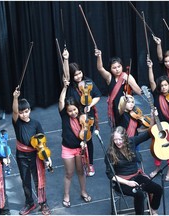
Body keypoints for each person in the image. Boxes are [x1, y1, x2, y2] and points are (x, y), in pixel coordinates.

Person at [105, 126, 163, 215]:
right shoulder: (110, 153)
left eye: (120, 139)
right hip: (121, 182)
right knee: (139, 194)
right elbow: (110, 175)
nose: (118, 142)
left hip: (136, 176)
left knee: (158, 189)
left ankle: (153, 209)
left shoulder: (131, 142)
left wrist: (152, 117)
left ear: (125, 138)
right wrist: (128, 183)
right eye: (115, 140)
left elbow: (148, 134)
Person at [62, 49, 102, 177]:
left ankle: (90, 163)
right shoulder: (70, 86)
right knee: (77, 139)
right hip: (74, 114)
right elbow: (66, 75)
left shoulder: (88, 82)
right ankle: (80, 162)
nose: (78, 76)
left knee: (87, 139)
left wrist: (89, 105)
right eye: (75, 75)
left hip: (87, 115)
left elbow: (97, 96)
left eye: (79, 73)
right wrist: (66, 59)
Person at [12, 87, 51, 215]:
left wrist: (47, 158)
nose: (24, 114)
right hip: (22, 156)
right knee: (25, 180)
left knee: (38, 179)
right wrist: (15, 98)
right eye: (21, 112)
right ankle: (29, 203)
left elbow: (42, 143)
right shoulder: (17, 123)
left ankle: (43, 202)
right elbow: (14, 110)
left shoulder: (36, 124)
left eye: (26, 111)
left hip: (35, 155)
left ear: (30, 110)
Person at [59, 79, 92, 208]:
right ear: (66, 112)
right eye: (70, 111)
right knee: (69, 173)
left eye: (74, 110)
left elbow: (87, 132)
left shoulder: (82, 117)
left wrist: (84, 142)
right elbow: (61, 101)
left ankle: (83, 191)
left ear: (78, 108)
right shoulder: (64, 116)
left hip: (80, 149)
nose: (73, 113)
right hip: (67, 149)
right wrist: (64, 88)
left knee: (81, 171)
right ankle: (66, 195)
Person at [94, 48, 142, 128]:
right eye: (114, 68)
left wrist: (130, 81)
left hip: (127, 106)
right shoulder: (109, 78)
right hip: (115, 107)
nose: (117, 69)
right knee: (118, 128)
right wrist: (99, 56)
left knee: (129, 127)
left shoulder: (127, 76)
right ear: (110, 69)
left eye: (119, 66)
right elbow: (100, 68)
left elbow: (138, 90)